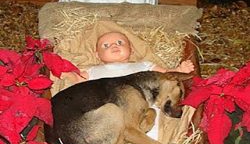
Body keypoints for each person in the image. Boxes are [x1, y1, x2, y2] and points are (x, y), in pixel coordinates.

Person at [62, 31, 194, 83]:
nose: (114, 45)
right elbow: (77, 79)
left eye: (120, 43)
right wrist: (66, 74)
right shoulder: (92, 70)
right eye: (106, 45)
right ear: (97, 55)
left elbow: (165, 74)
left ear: (130, 49)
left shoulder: (144, 65)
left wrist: (179, 70)